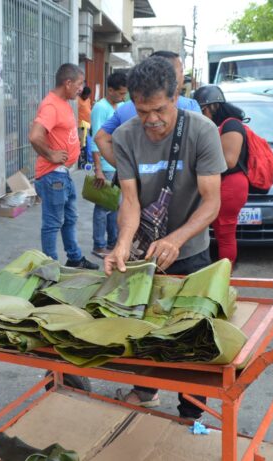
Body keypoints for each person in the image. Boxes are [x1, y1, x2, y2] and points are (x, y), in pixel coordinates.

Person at [103, 57, 226, 419]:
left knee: (191, 335)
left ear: (175, 97)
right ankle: (146, 389)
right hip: (146, 248)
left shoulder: (202, 131)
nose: (151, 120)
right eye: (143, 111)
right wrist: (122, 244)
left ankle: (192, 409)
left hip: (190, 251)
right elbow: (129, 200)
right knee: (143, 325)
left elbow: (212, 200)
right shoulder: (125, 136)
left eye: (159, 109)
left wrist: (177, 238)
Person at [28, 64, 98, 270]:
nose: (81, 88)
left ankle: (74, 257)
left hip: (62, 174)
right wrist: (51, 154)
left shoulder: (64, 102)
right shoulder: (51, 105)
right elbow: (34, 135)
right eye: (79, 84)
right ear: (67, 83)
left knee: (70, 218)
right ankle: (50, 267)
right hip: (52, 176)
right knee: (52, 223)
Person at [94, 50, 201, 168]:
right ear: (169, 74)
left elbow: (100, 138)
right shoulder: (189, 106)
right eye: (181, 71)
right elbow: (200, 148)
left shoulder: (124, 108)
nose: (152, 119)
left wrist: (128, 169)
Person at [194, 85, 249, 267]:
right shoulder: (222, 125)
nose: (202, 115)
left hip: (231, 185)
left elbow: (229, 161)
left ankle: (225, 275)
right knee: (219, 231)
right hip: (225, 184)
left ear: (213, 106)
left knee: (225, 233)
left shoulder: (231, 125)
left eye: (203, 110)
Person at [90, 71, 128, 259]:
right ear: (110, 90)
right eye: (120, 93)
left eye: (124, 94)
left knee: (114, 206)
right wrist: (98, 169)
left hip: (116, 164)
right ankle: (99, 245)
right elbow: (95, 138)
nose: (122, 97)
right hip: (104, 165)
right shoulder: (100, 108)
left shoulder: (120, 106)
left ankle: (112, 242)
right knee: (102, 207)